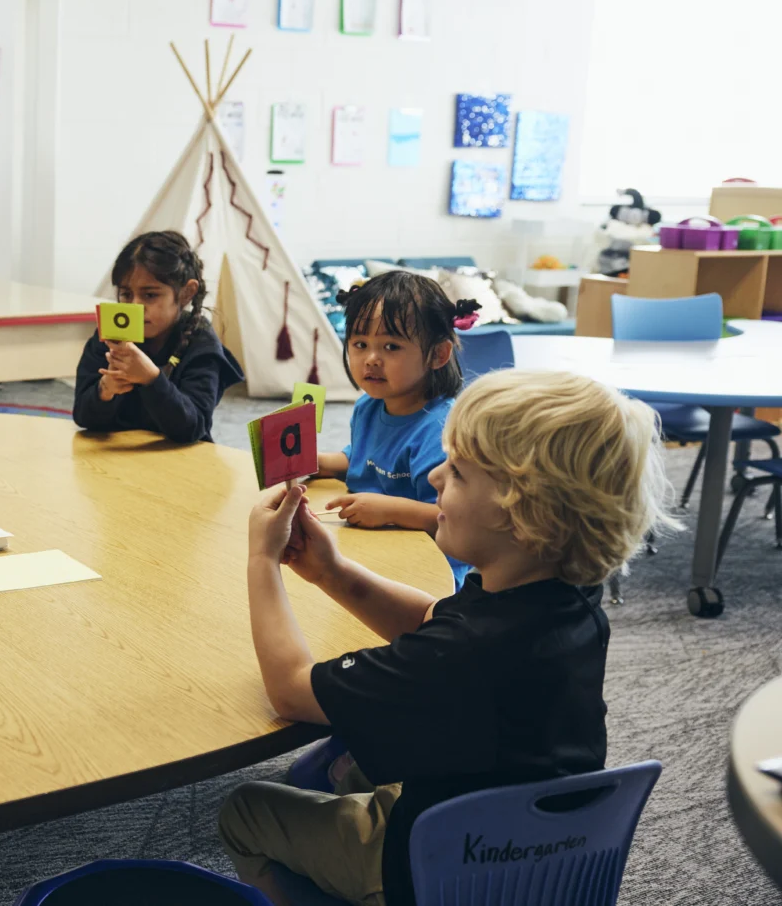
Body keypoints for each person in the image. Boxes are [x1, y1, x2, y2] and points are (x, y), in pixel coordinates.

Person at [218, 368, 672, 906]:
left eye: (456, 472)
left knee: (246, 808)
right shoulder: (564, 598)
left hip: (440, 865)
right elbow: (438, 617)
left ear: (526, 514)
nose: (433, 478)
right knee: (341, 766)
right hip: (538, 849)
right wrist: (331, 573)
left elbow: (290, 689)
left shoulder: (458, 657)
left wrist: (260, 559)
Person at [313, 270, 480, 588]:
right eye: (360, 344)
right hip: (371, 547)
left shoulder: (441, 430)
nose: (371, 359)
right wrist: (322, 462)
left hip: (427, 570)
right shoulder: (369, 405)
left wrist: (390, 510)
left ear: (438, 354)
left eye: (391, 347)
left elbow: (455, 518)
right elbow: (366, 459)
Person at [72, 230, 243, 444]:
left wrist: (151, 379)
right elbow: (83, 417)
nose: (135, 306)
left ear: (186, 293)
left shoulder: (200, 343)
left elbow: (192, 429)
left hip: (181, 464)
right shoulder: (111, 335)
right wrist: (105, 390)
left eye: (150, 295)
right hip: (117, 462)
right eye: (126, 294)